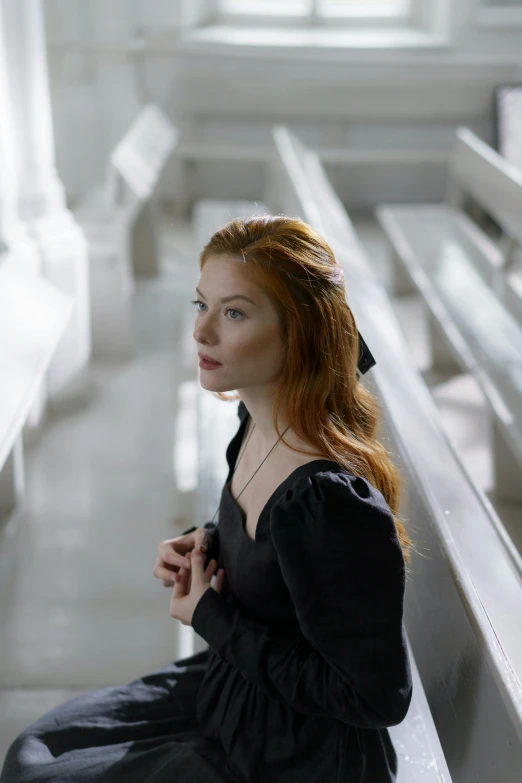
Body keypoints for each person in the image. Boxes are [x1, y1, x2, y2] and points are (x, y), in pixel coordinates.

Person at [1, 214, 414, 782]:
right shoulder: (255, 420)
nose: (201, 333)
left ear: (301, 333)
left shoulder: (329, 503)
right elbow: (272, 551)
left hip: (293, 757)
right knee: (37, 752)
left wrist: (212, 618)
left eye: (235, 313)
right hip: (233, 693)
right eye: (201, 305)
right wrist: (209, 542)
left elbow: (374, 697)